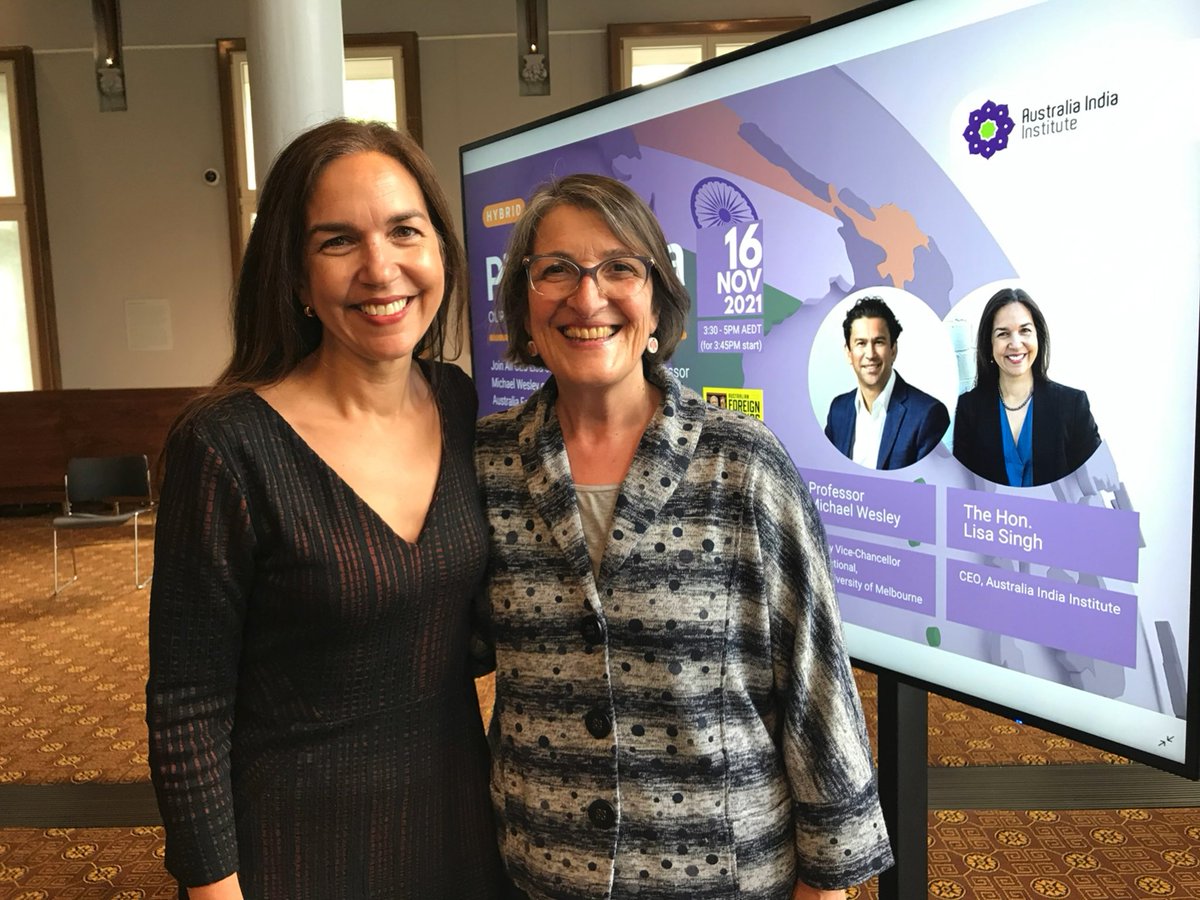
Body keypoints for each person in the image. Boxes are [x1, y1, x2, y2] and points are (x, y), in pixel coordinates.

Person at [476, 173, 893, 900]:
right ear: (524, 306)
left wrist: (826, 886)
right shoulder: (488, 466)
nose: (588, 295)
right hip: (542, 874)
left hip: (725, 879)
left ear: (658, 301)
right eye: (556, 270)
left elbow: (817, 691)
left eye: (619, 268)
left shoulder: (743, 464)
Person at [145, 120, 505, 899]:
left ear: (440, 250)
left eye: (405, 231)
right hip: (294, 853)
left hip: (462, 836)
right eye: (337, 242)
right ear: (296, 276)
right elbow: (186, 707)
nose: (381, 269)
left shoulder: (461, 401)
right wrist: (214, 890)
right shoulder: (226, 447)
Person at [953, 287, 1100, 487]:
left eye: (1025, 331)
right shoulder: (969, 408)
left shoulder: (1072, 405)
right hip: (991, 517)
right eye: (1003, 334)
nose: (1016, 343)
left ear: (1037, 337)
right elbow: (961, 490)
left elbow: (1097, 485)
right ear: (990, 344)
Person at [824, 296, 949, 469]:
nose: (870, 354)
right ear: (848, 352)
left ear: (893, 350)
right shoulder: (838, 409)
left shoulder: (927, 414)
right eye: (861, 343)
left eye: (879, 342)